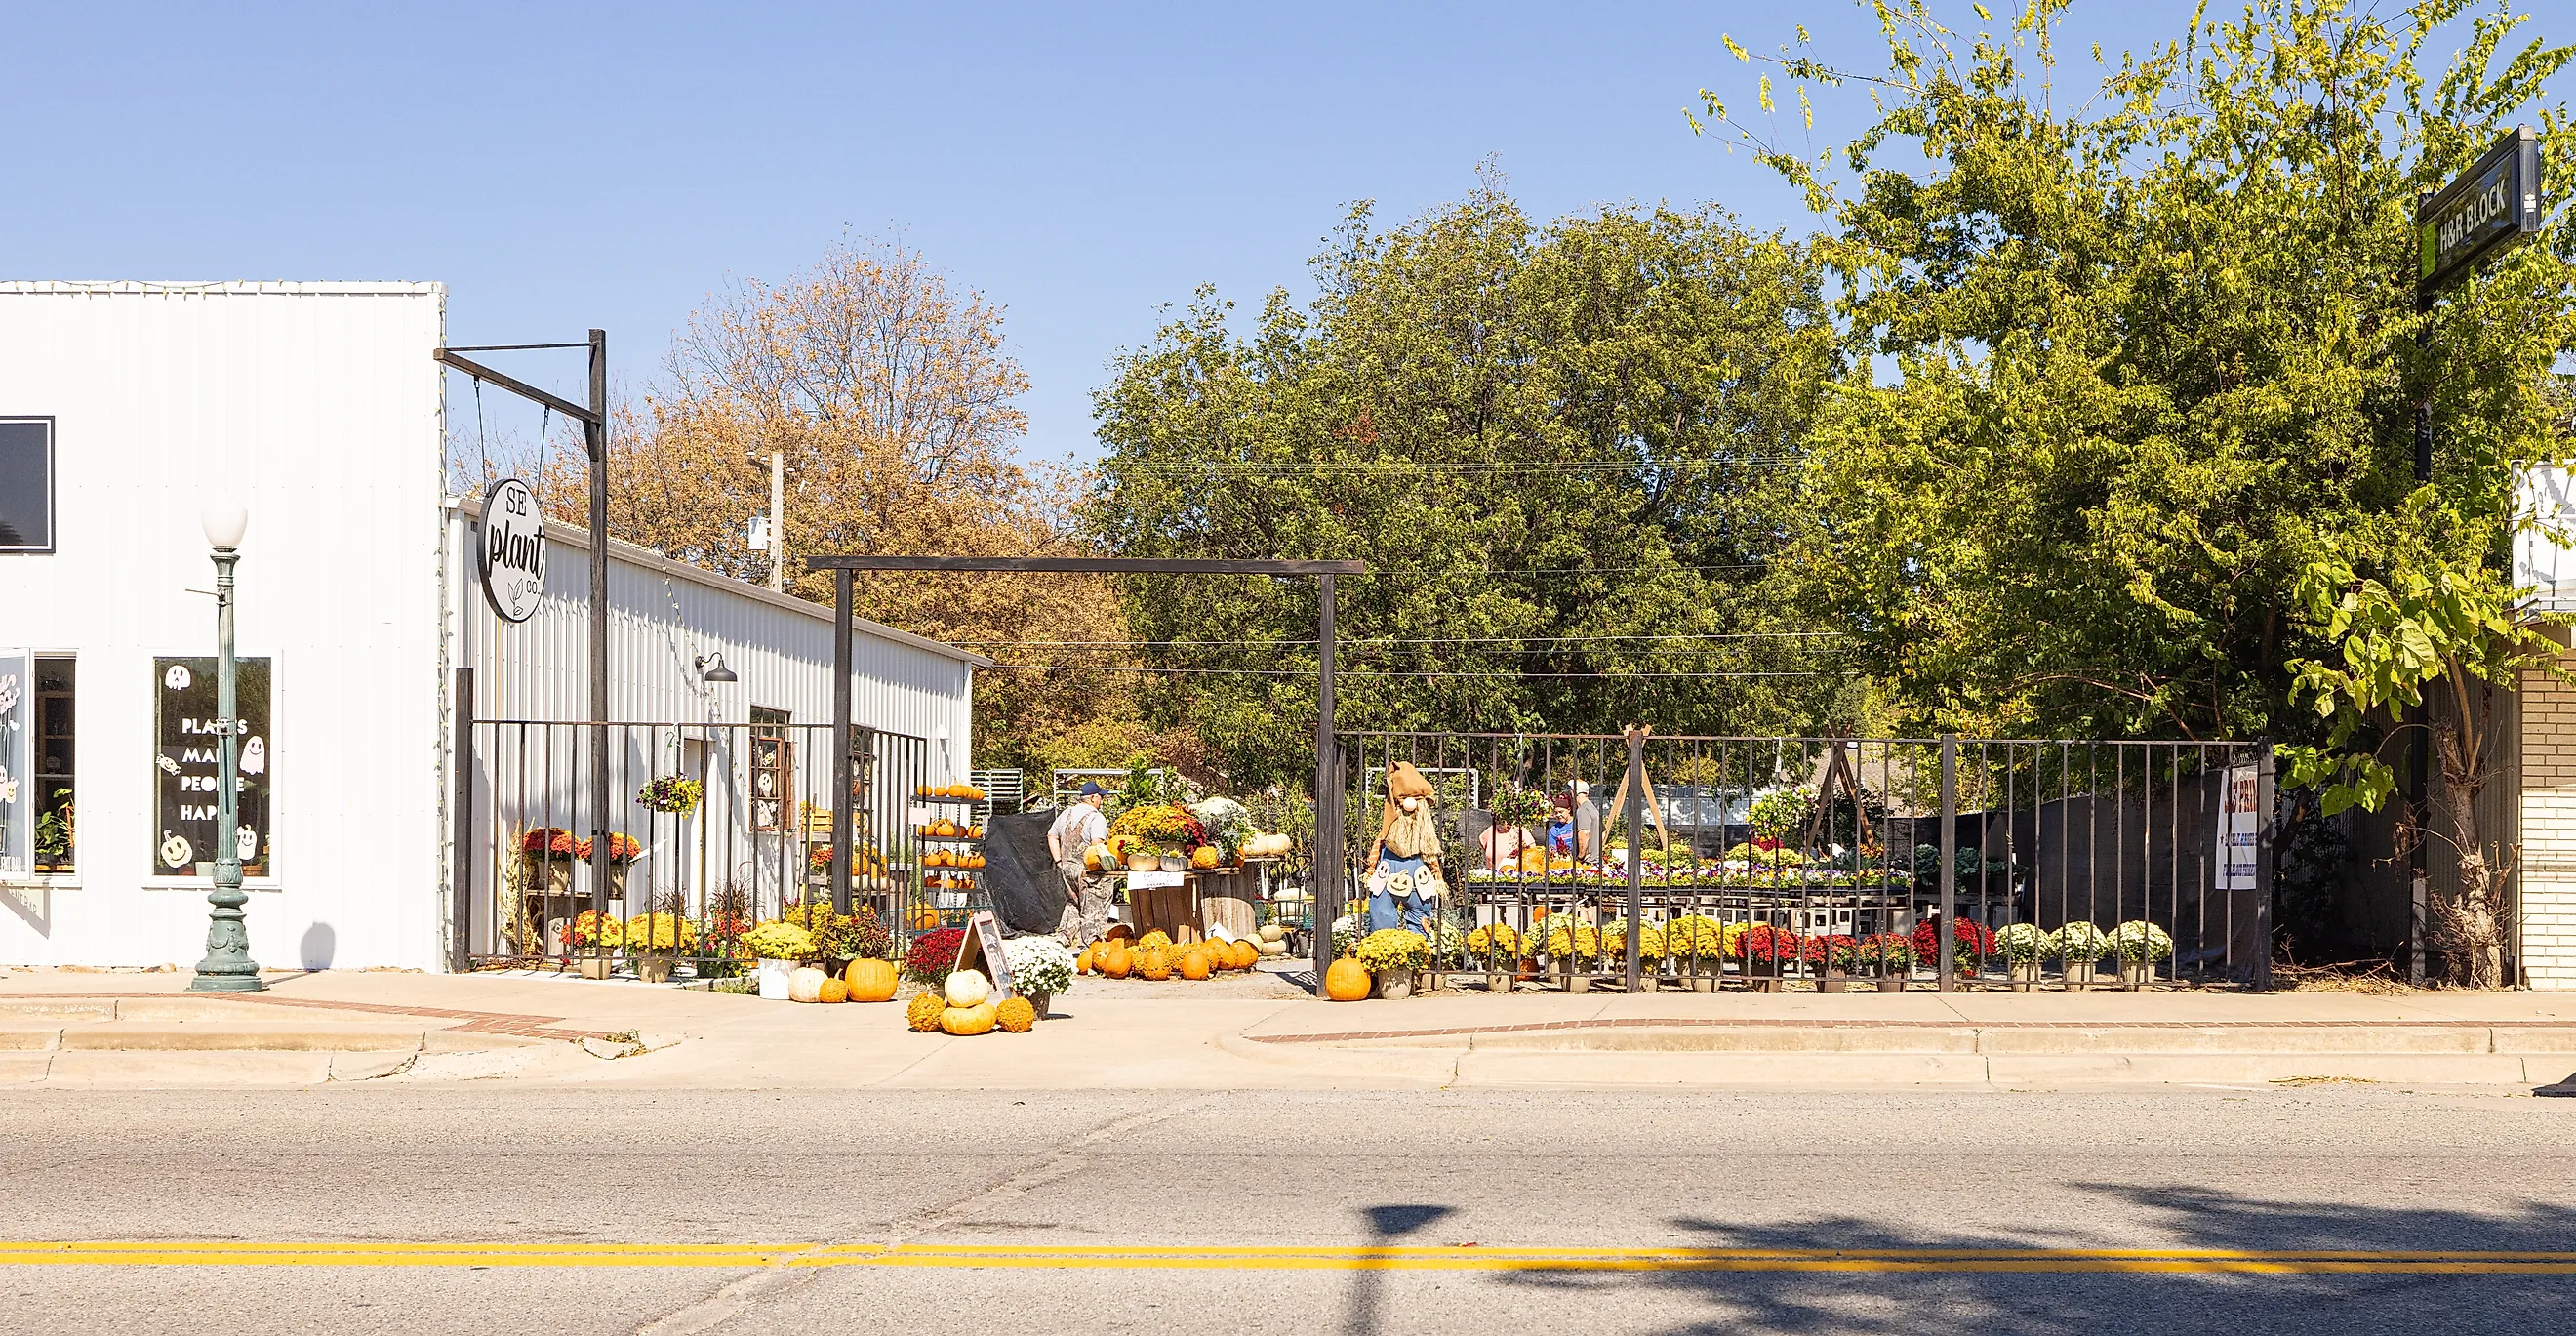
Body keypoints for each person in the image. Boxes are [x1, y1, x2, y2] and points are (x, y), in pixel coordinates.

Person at [1364, 761, 1444, 933]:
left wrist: (1437, 874)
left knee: (1419, 919)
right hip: (1387, 871)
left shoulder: (1424, 834)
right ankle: (1383, 953)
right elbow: (1379, 843)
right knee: (1381, 918)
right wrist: (1370, 869)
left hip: (1418, 876)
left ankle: (1416, 954)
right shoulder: (1389, 831)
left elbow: (1430, 852)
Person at [1048, 782, 1112, 945]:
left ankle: (1063, 938)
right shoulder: (1096, 817)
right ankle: (1091, 944)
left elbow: (1051, 836)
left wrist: (1059, 861)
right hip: (1087, 872)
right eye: (1100, 797)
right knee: (1094, 904)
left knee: (1073, 903)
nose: (1102, 800)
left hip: (1067, 869)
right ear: (1092, 798)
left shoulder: (1066, 814)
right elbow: (1096, 844)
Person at [1570, 780, 1601, 866]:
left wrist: (1580, 857)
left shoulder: (1582, 809)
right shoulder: (1593, 808)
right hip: (1596, 860)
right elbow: (1604, 832)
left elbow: (1584, 834)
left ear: (1574, 792)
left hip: (1588, 862)